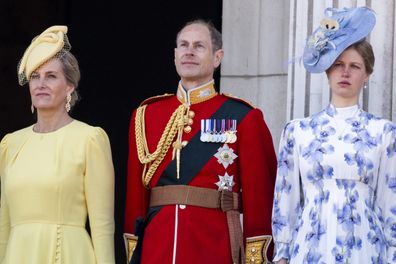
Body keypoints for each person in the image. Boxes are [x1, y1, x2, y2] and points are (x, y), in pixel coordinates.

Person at [123, 19, 277, 264]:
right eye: (183, 45)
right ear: (175, 56)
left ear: (217, 58)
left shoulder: (244, 117)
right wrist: (134, 249)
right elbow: (135, 195)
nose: (189, 51)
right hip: (157, 247)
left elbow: (261, 197)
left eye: (199, 46)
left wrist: (256, 256)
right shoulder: (146, 115)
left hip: (213, 247)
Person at [272, 7, 396, 263]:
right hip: (309, 245)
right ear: (327, 70)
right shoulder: (298, 131)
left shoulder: (384, 132)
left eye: (354, 66)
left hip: (366, 247)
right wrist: (282, 253)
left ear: (367, 75)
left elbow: (390, 200)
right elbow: (286, 197)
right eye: (338, 64)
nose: (345, 72)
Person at [0, 25, 115, 263]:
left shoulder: (90, 139)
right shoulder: (11, 144)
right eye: (35, 76)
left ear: (69, 87)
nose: (40, 83)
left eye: (51, 76)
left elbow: (102, 226)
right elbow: (4, 223)